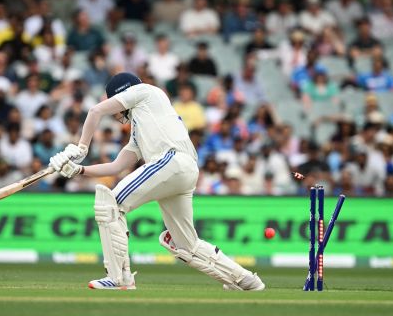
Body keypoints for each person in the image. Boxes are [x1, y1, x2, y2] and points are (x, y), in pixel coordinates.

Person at [49, 72, 265, 291]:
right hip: (183, 171)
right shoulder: (141, 124)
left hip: (171, 161)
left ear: (123, 92)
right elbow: (116, 166)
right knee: (185, 244)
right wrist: (78, 170)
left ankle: (119, 279)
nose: (116, 111)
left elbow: (96, 110)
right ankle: (246, 280)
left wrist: (81, 148)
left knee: (110, 203)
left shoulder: (145, 91)